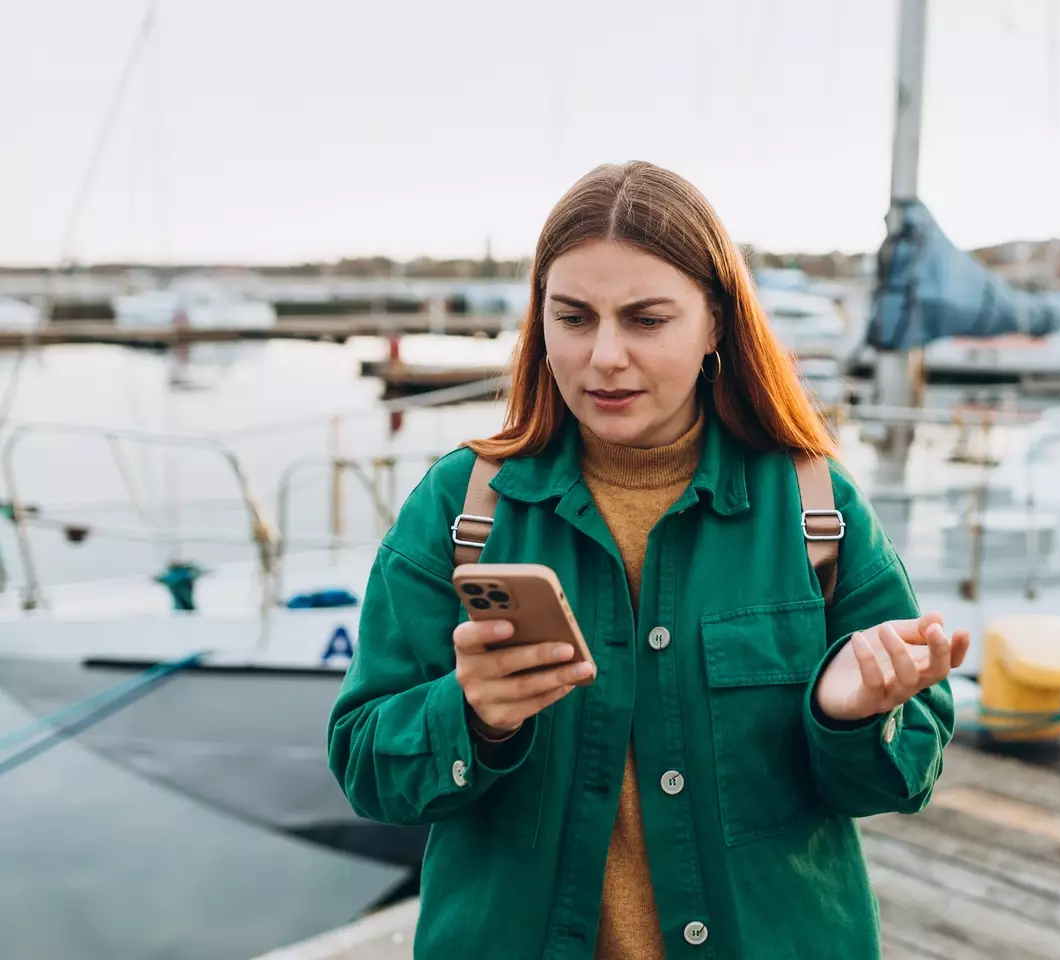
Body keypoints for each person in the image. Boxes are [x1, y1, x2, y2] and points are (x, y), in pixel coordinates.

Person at [327, 161, 968, 959]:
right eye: (573, 318)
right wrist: (472, 717)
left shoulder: (816, 506)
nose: (604, 357)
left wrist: (852, 716)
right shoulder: (461, 506)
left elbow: (902, 776)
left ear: (716, 326)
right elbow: (363, 762)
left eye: (646, 320)